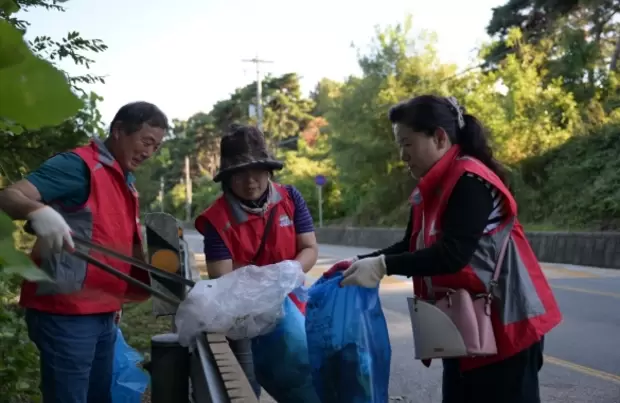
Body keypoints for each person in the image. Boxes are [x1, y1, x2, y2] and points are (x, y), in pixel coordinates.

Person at [338, 95, 562, 403]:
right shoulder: (433, 186)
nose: (402, 155)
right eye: (399, 145)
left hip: (508, 327)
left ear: (439, 137)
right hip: (466, 327)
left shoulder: (471, 180)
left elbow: (453, 254)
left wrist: (382, 267)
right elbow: (411, 245)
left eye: (407, 144)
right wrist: (361, 261)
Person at [0, 101, 169, 403]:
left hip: (103, 311)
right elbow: (10, 196)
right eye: (146, 141)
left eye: (156, 146)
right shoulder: (78, 166)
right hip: (65, 313)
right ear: (118, 131)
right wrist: (37, 211)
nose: (149, 152)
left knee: (97, 396)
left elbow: (112, 243)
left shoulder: (125, 181)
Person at [194, 123, 319, 398]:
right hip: (244, 317)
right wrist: (264, 281)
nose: (250, 181)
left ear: (268, 171)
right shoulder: (216, 219)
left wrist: (291, 269)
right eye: (240, 174)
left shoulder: (290, 199)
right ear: (227, 178)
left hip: (293, 307)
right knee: (247, 387)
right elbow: (222, 277)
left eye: (257, 171)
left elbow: (309, 247)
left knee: (304, 372)